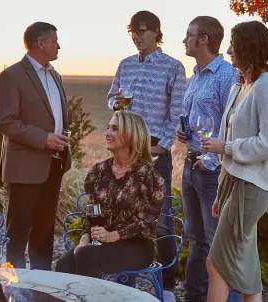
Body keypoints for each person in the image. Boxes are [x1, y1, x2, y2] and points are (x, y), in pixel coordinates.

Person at [200, 20, 268, 302]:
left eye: (234, 44)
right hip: (234, 183)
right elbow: (229, 149)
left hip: (252, 186)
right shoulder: (239, 86)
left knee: (216, 265)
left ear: (249, 46)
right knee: (247, 268)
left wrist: (227, 146)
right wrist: (220, 193)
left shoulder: (267, 86)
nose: (229, 50)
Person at [107, 11, 186, 301]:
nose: (137, 36)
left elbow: (177, 112)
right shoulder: (125, 65)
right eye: (133, 32)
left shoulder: (173, 67)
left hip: (154, 151)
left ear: (156, 32)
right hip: (124, 149)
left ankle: (166, 286)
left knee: (162, 218)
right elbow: (111, 97)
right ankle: (124, 283)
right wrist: (115, 103)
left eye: (142, 31)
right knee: (121, 216)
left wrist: (161, 148)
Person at [0, 21, 71, 270]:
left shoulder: (55, 75)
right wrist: (43, 138)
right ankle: (14, 287)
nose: (58, 45)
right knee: (18, 231)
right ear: (41, 43)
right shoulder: (12, 75)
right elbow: (3, 120)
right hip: (25, 166)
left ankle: (43, 284)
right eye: (55, 41)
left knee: (45, 230)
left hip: (54, 163)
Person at [175, 16, 242, 302]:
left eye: (188, 35)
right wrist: (184, 130)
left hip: (212, 171)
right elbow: (199, 120)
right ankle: (195, 296)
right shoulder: (196, 75)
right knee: (196, 240)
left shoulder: (227, 76)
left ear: (203, 39)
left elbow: (233, 124)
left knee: (218, 244)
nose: (184, 40)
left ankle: (232, 298)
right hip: (191, 166)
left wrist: (212, 162)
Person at [54, 110, 164, 280]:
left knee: (88, 256)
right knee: (63, 264)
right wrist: (84, 240)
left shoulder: (148, 176)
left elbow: (148, 224)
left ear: (130, 135)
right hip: (102, 244)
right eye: (108, 128)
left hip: (137, 247)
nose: (107, 133)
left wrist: (114, 235)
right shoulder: (99, 172)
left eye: (114, 129)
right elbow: (90, 212)